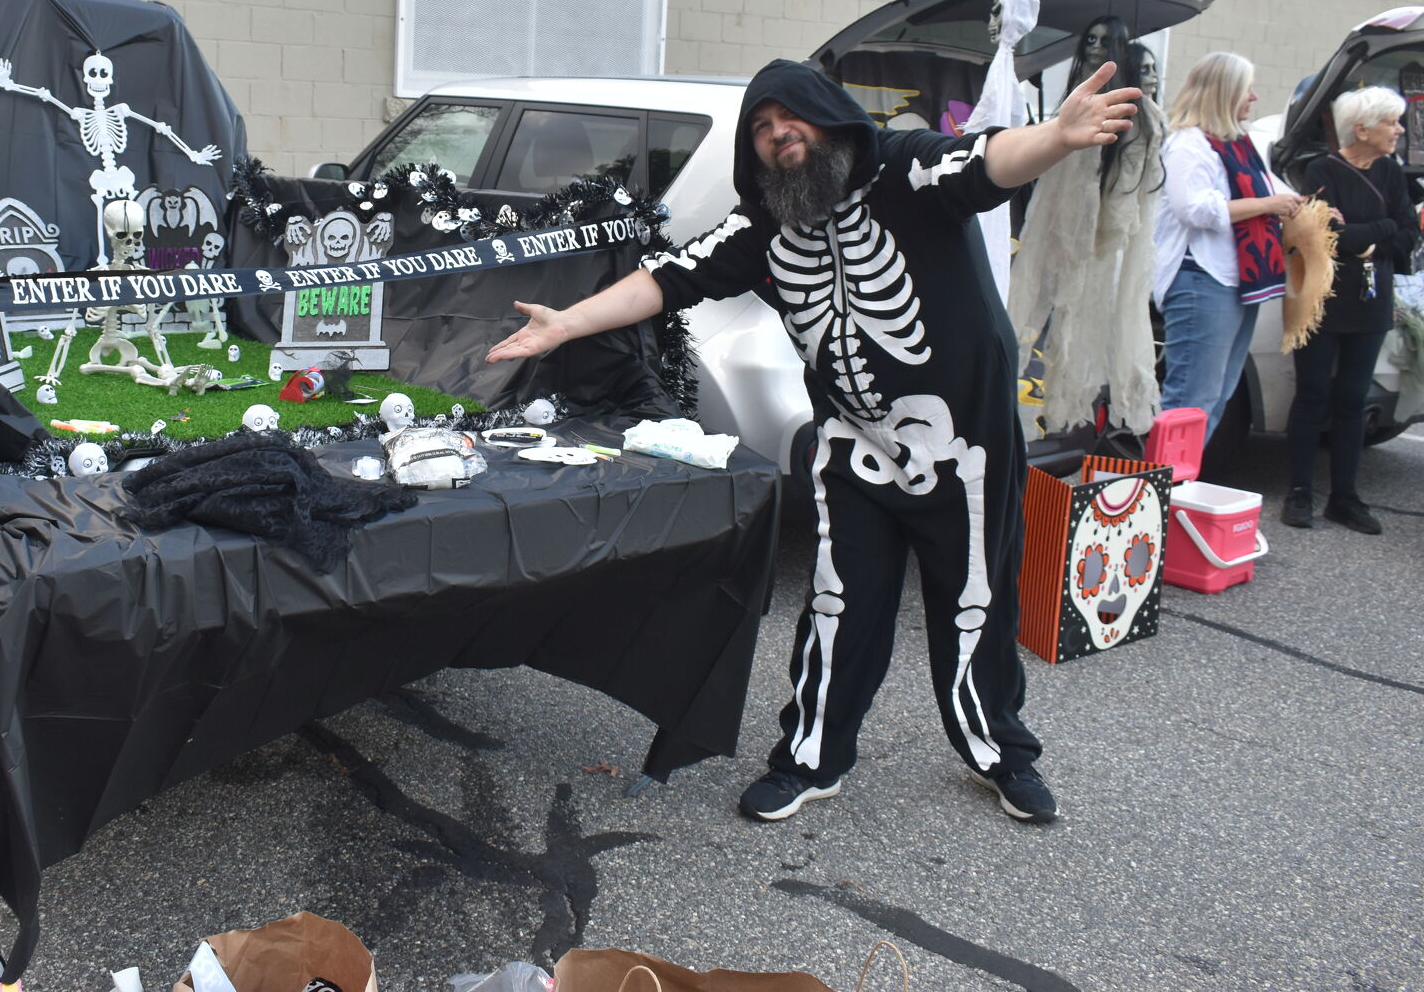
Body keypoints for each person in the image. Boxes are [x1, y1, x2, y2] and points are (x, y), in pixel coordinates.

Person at [488, 55, 1142, 825]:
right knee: (837, 601)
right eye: (761, 129)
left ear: (827, 113)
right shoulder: (767, 222)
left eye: (788, 116)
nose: (776, 135)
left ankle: (999, 747)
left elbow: (988, 159)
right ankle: (810, 756)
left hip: (960, 442)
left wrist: (1057, 137)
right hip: (852, 443)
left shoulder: (905, 169)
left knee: (976, 598)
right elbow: (669, 277)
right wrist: (566, 322)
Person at [1282, 86, 1419, 533]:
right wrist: (1380, 233)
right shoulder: (1322, 169)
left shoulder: (1390, 171)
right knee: (1313, 394)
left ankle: (1345, 497)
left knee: (1352, 401)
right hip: (1322, 300)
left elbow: (1407, 232)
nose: (1398, 129)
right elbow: (1323, 238)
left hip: (1371, 300)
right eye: (1391, 122)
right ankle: (1299, 492)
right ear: (1361, 128)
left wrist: (1366, 234)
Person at [1153, 53, 1301, 444]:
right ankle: (1163, 496)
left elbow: (1274, 189)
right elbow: (1195, 209)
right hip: (1201, 279)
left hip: (1236, 282)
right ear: (1224, 92)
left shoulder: (1239, 143)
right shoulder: (1188, 144)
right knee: (1189, 401)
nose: (1253, 97)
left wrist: (1312, 208)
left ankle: (1181, 487)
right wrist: (1270, 206)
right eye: (1246, 89)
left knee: (1215, 399)